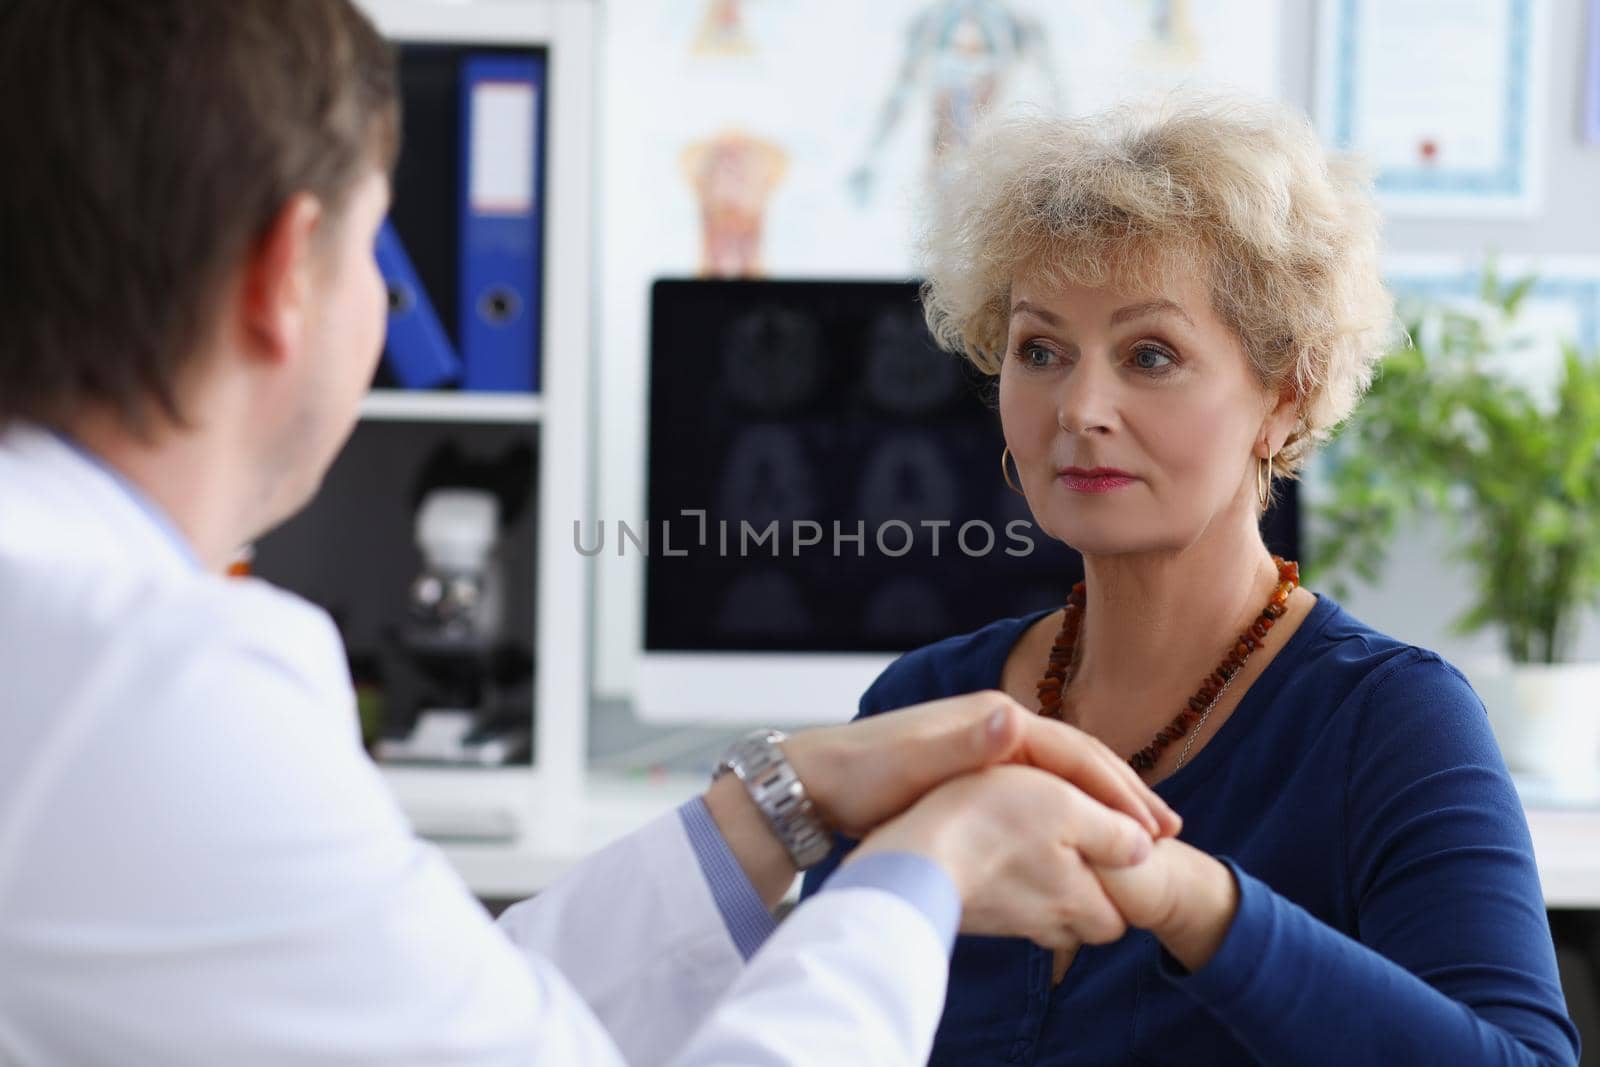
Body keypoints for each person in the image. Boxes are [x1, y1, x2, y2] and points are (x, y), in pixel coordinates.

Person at [0, 2, 1186, 1064]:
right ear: (281, 279)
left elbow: (471, 1018)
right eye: (373, 249)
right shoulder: (147, 676)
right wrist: (921, 873)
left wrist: (784, 797)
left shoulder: (61, 624)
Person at [803, 96, 1583, 1066]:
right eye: (1039, 349)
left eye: (1150, 355)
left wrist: (1189, 898)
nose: (1079, 407)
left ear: (1283, 393)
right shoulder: (922, 702)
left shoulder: (1389, 720)